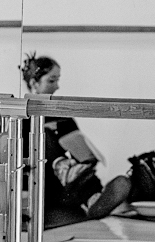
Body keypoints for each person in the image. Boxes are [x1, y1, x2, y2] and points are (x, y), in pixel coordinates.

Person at [20, 53, 132, 226]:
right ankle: (88, 194)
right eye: (51, 80)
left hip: (70, 187)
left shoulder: (62, 115)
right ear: (34, 83)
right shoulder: (22, 117)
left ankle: (93, 197)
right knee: (44, 135)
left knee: (77, 161)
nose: (57, 86)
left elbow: (78, 144)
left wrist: (87, 157)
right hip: (43, 185)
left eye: (58, 80)